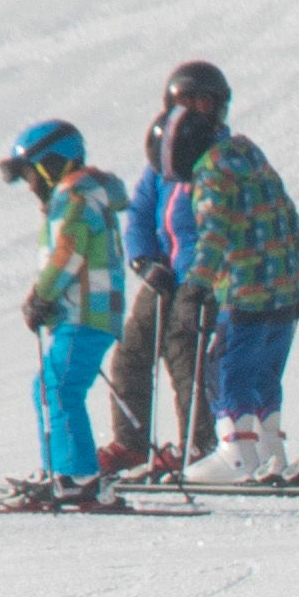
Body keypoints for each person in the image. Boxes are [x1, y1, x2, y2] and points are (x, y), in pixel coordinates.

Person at [185, 86, 299, 479]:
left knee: (224, 368)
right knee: (264, 372)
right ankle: (270, 448)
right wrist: (297, 281)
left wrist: (196, 286)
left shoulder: (211, 170)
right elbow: (290, 219)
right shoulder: (250, 156)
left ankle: (237, 455)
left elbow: (213, 234)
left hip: (245, 293)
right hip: (284, 291)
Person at [5, 120, 131, 495]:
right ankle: (64, 471)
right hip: (83, 314)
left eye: (32, 174)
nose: (31, 186)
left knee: (57, 388)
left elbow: (67, 254)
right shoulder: (78, 196)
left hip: (85, 314)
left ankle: (75, 474)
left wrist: (41, 296)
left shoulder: (76, 199)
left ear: (52, 164)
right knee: (51, 387)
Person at [104, 72, 216, 478]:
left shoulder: (214, 155)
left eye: (202, 102)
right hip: (162, 276)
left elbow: (221, 224)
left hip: (197, 277)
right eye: (184, 102)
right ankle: (131, 445)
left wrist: (199, 272)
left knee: (186, 359)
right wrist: (143, 260)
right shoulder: (164, 160)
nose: (193, 111)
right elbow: (138, 213)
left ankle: (199, 446)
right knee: (132, 354)